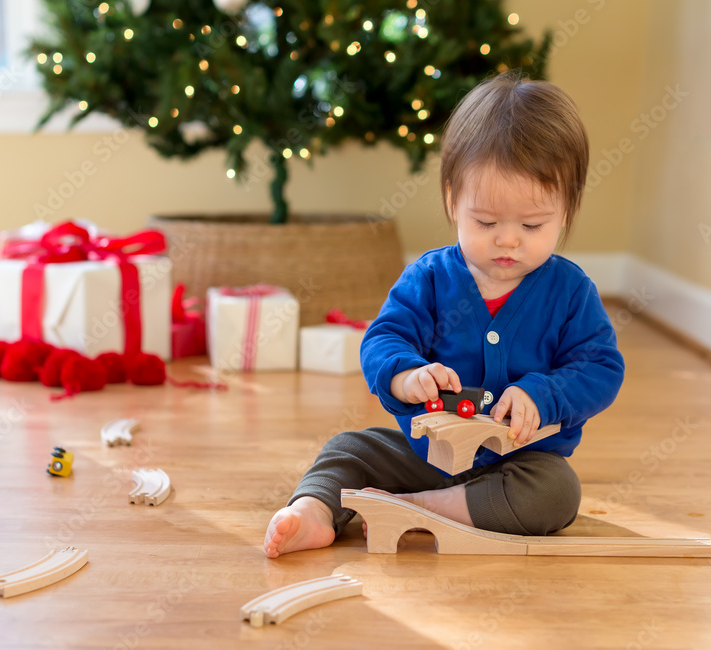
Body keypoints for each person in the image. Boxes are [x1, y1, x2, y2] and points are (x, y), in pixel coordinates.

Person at [264, 72, 625, 558]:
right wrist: (406, 375)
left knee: (558, 494)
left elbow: (601, 368)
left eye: (533, 224)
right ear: (453, 199)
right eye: (486, 221)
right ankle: (313, 512)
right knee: (348, 448)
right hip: (427, 457)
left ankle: (420, 510)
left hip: (519, 465)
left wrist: (544, 395)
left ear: (567, 210)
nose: (508, 239)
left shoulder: (570, 291)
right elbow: (382, 339)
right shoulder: (430, 278)